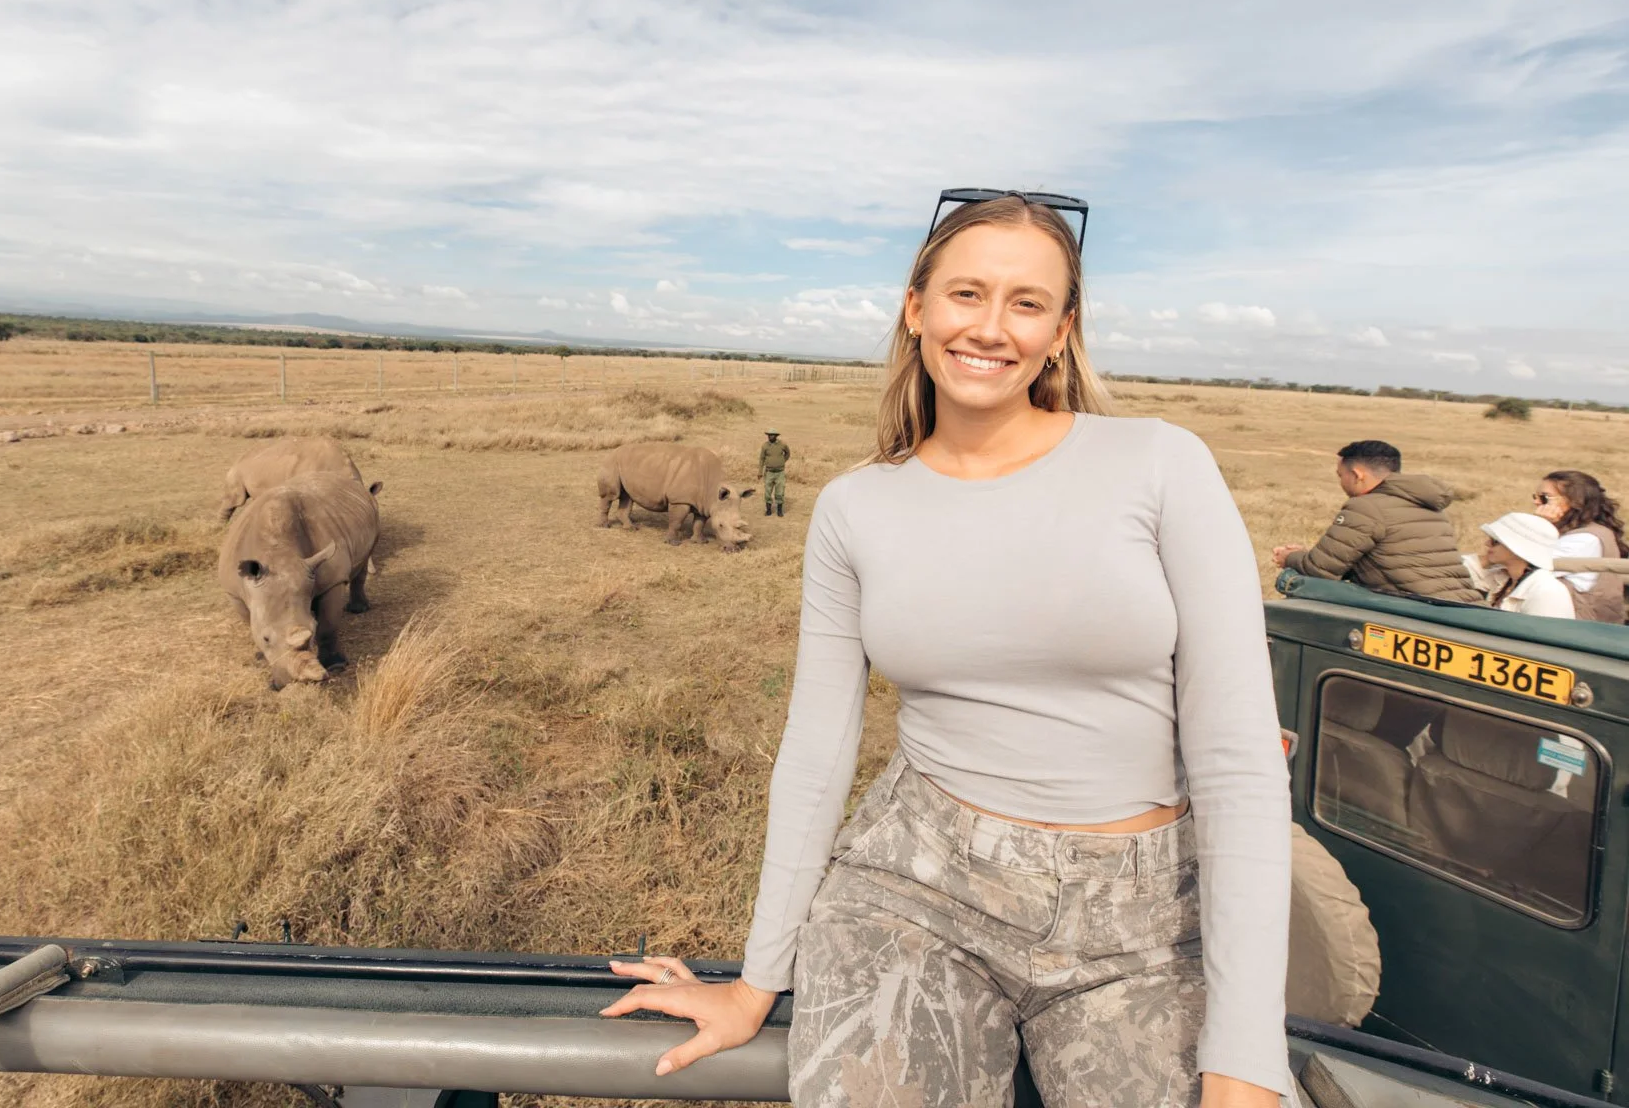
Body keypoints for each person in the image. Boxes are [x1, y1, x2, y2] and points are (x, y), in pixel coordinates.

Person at [602, 195, 1292, 1108]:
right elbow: (817, 749)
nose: (991, 327)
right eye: (967, 293)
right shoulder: (857, 507)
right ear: (916, 307)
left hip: (1147, 917)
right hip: (915, 886)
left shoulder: (1163, 464)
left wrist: (1245, 1057)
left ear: (1061, 330)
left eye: (1027, 302)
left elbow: (1239, 759)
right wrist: (756, 980)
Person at [1271, 440, 1478, 602]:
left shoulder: (1366, 506)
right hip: (1462, 605)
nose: (1341, 482)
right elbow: (1390, 563)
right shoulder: (1428, 507)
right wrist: (1307, 556)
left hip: (1420, 609)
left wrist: (1289, 558)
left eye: (1340, 475)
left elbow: (1320, 570)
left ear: (1357, 475)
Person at [1534, 470, 1626, 624]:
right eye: (1535, 497)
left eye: (1544, 498)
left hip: (1578, 627)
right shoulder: (1569, 531)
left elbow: (1527, 566)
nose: (1536, 502)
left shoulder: (1585, 539)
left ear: (1574, 502)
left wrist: (1540, 525)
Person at [1477, 512, 1576, 618]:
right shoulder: (1503, 579)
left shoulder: (1548, 592)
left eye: (1495, 541)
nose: (1487, 544)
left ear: (1516, 547)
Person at [758, 429, 791, 517]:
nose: (770, 436)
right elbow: (761, 459)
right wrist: (760, 472)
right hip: (769, 472)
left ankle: (779, 511)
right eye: (769, 435)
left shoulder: (782, 444)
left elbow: (787, 453)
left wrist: (782, 461)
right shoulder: (765, 446)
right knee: (767, 491)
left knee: (780, 492)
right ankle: (768, 510)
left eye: (772, 435)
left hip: (780, 472)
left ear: (776, 436)